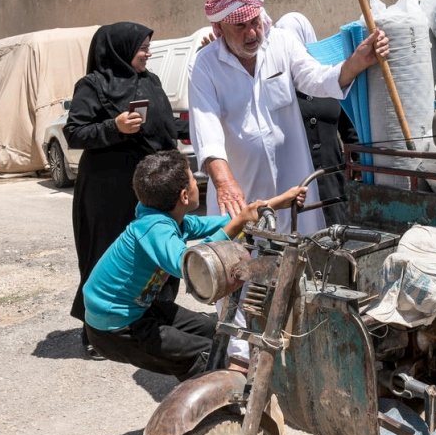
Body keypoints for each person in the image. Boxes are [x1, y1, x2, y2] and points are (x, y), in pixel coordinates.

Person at [189, 0, 389, 364]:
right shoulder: (205, 65)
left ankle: (302, 351)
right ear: (219, 29)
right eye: (240, 27)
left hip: (294, 189)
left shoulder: (279, 43)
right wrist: (224, 181)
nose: (252, 33)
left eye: (255, 23)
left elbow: (317, 78)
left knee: (305, 267)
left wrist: (355, 63)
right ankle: (242, 362)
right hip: (241, 194)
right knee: (240, 273)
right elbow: (205, 126)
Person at [83, 150, 306, 379]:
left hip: (140, 309)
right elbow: (193, 265)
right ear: (184, 196)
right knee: (206, 354)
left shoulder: (167, 219)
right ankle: (215, 409)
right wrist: (238, 223)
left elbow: (226, 222)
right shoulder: (153, 229)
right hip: (115, 327)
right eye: (193, 178)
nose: (197, 180)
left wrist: (276, 203)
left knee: (215, 332)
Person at [64, 22, 186, 359]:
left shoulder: (151, 81)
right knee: (106, 256)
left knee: (156, 255)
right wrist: (114, 127)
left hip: (150, 186)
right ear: (119, 49)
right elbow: (75, 132)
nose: (148, 52)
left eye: (148, 46)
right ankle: (96, 331)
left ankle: (151, 320)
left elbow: (164, 124)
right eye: (142, 47)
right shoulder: (92, 85)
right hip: (108, 190)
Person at [275, 12, 359, 225]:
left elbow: (349, 132)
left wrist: (358, 165)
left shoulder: (328, 80)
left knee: (338, 234)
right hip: (297, 184)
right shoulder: (277, 87)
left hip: (334, 179)